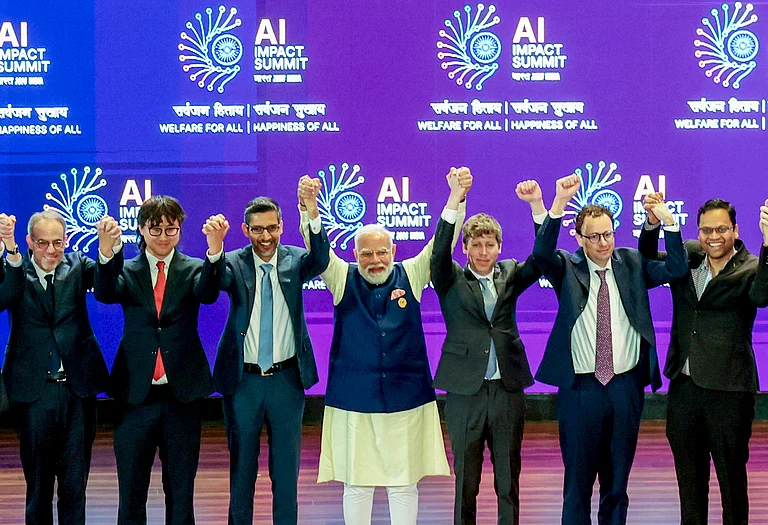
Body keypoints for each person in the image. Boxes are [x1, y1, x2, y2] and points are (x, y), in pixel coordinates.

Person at [301, 168, 472, 525]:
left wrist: (455, 198)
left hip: (405, 396)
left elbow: (441, 246)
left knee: (404, 483)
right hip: (354, 399)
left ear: (393, 250)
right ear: (355, 252)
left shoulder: (411, 272)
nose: (375, 260)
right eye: (367, 254)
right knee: (357, 484)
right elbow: (318, 253)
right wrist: (311, 209)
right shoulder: (340, 276)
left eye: (382, 252)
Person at [533, 174, 688, 525]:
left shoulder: (631, 262)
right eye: (594, 236)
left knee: (617, 484)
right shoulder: (566, 267)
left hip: (624, 387)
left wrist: (668, 223)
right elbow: (541, 253)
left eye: (608, 233)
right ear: (579, 238)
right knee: (577, 484)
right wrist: (557, 202)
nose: (603, 242)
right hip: (580, 390)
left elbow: (677, 268)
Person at [94, 196, 227, 525]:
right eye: (156, 228)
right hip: (135, 396)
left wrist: (215, 250)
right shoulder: (125, 268)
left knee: (181, 491)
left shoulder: (195, 267)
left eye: (172, 229)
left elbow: (208, 294)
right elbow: (105, 293)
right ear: (141, 228)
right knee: (132, 491)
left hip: (181, 396)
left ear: (180, 230)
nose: (164, 235)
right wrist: (107, 251)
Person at [639, 194, 768, 525]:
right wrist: (654, 221)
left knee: (731, 485)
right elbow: (647, 257)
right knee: (689, 486)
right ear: (698, 232)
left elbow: (762, 296)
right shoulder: (689, 257)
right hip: (685, 389)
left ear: (736, 230)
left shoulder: (752, 266)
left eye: (722, 229)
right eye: (706, 230)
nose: (714, 237)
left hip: (729, 391)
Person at [213, 176, 330, 525]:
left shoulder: (296, 259)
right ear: (246, 230)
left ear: (281, 226)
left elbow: (321, 257)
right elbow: (215, 280)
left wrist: (311, 210)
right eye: (257, 230)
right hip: (243, 381)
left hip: (286, 380)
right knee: (242, 471)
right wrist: (215, 248)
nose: (266, 237)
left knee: (286, 473)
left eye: (272, 228)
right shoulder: (233, 262)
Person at [431, 177, 545, 525]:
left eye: (490, 244)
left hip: (507, 390)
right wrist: (454, 197)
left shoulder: (510, 273)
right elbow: (438, 250)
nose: (483, 251)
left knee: (508, 479)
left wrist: (536, 207)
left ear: (499, 247)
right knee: (467, 480)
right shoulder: (449, 277)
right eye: (476, 244)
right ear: (465, 248)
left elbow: (541, 260)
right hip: (466, 391)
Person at [0, 210, 109, 525]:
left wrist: (105, 249)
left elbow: (105, 288)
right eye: (43, 243)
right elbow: (4, 296)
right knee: (38, 486)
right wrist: (9, 249)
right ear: (30, 242)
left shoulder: (77, 266)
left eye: (57, 243)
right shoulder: (15, 271)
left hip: (76, 391)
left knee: (75, 485)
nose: (51, 251)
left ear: (67, 241)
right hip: (34, 392)